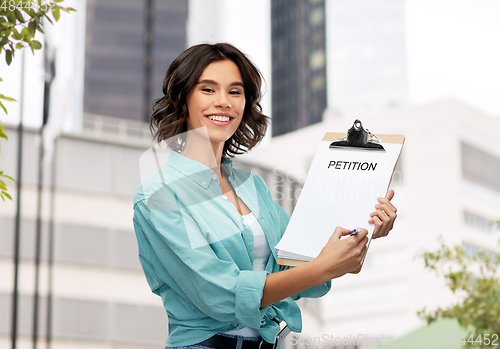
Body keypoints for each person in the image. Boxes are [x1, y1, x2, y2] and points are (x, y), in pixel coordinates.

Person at [133, 43, 397, 349]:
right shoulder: (158, 195)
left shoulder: (251, 186)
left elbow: (294, 264)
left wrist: (361, 229)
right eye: (208, 89)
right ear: (183, 98)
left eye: (235, 91)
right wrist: (323, 266)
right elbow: (219, 295)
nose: (223, 102)